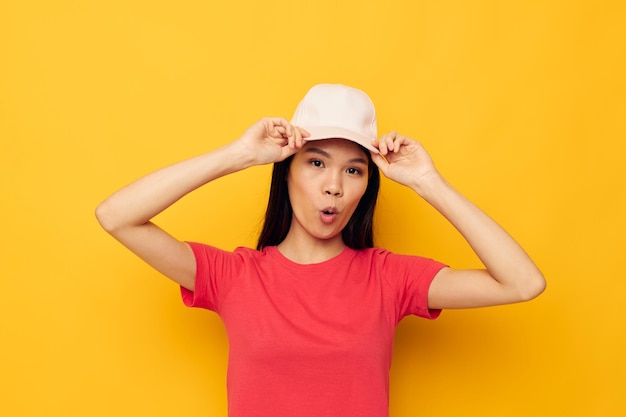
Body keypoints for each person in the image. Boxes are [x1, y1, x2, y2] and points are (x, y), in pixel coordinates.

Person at [96, 83, 545, 417]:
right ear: (285, 171)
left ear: (367, 186)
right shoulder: (234, 276)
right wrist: (239, 155)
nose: (334, 187)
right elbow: (116, 215)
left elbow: (523, 283)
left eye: (354, 170)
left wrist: (429, 182)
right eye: (316, 163)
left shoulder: (389, 279)